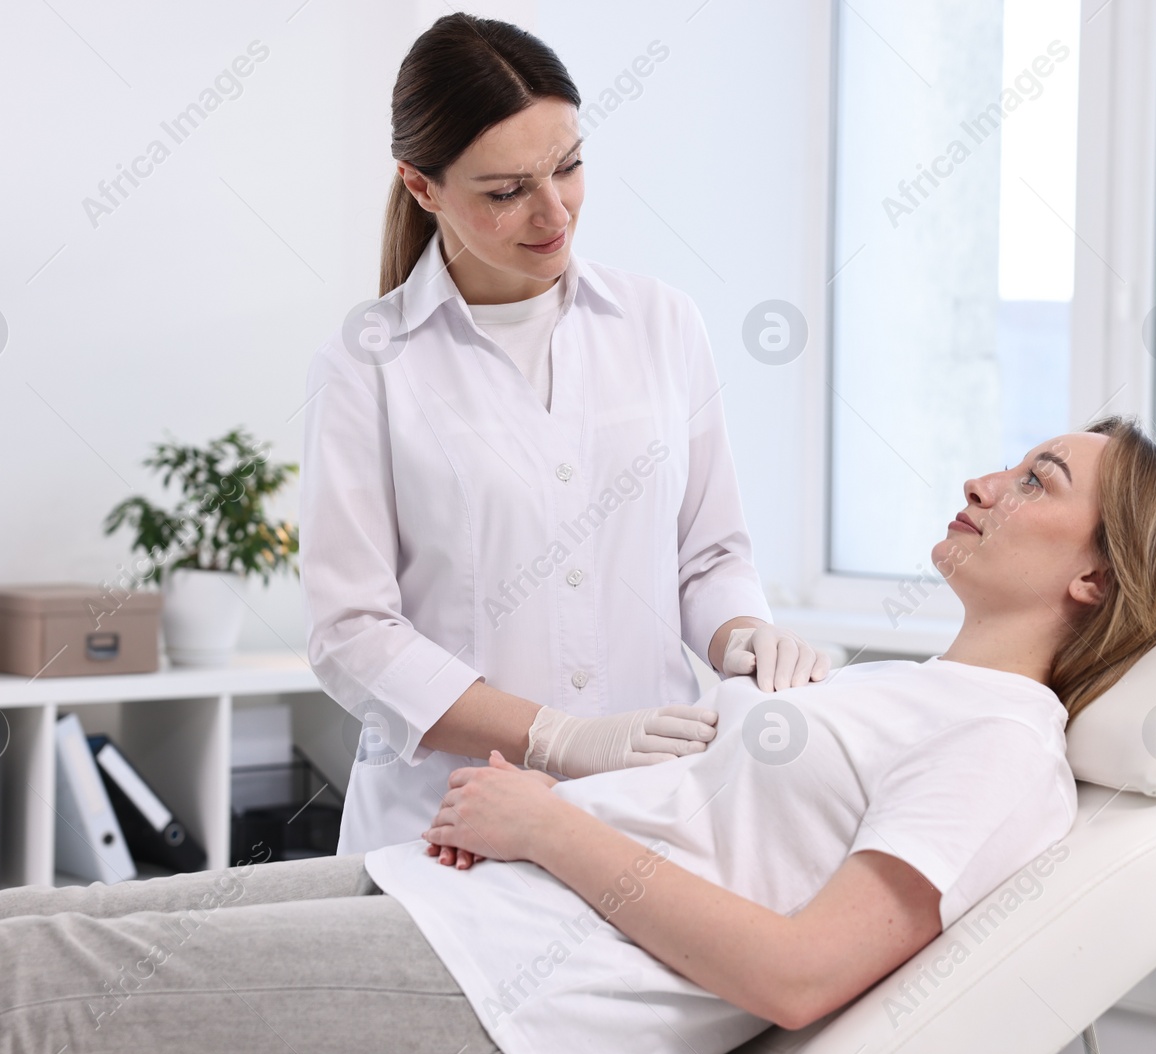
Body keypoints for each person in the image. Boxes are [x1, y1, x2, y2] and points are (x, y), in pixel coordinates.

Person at [0, 417, 1156, 1054]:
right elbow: (725, 823)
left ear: (1095, 575)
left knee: (5, 1000)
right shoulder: (902, 685)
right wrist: (582, 786)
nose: (986, 475)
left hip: (513, 998)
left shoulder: (1003, 742)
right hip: (466, 897)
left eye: (1038, 475)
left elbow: (801, 973)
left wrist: (559, 823)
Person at [300, 13, 829, 855]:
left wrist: (744, 638)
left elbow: (708, 556)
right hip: (442, 832)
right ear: (423, 187)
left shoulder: (660, 323)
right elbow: (352, 631)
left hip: (646, 814)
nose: (553, 212)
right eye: (506, 191)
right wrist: (553, 735)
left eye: (570, 167)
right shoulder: (368, 363)